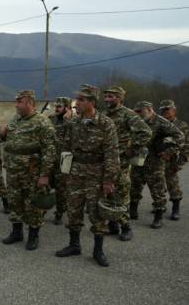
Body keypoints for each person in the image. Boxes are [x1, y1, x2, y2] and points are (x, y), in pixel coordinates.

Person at [55, 85, 119, 267]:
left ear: (92, 102)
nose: (77, 103)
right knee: (73, 209)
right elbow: (66, 147)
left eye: (81, 100)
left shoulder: (105, 123)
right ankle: (74, 245)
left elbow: (112, 153)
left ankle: (98, 250)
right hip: (75, 172)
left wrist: (109, 180)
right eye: (77, 99)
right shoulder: (74, 122)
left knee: (96, 212)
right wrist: (65, 172)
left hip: (96, 173)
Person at [1, 90, 56, 250]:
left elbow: (49, 151)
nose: (16, 105)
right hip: (13, 170)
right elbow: (9, 139)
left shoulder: (42, 122)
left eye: (20, 102)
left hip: (31, 173)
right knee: (14, 202)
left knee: (33, 205)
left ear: (30, 103)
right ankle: (16, 232)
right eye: (16, 101)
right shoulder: (16, 119)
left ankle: (33, 235)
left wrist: (44, 175)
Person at [103, 87, 152, 240]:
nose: (107, 99)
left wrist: (131, 149)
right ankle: (112, 225)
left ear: (119, 98)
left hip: (122, 162)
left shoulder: (128, 114)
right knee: (108, 193)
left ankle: (126, 227)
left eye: (111, 96)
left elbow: (146, 132)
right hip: (106, 161)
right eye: (106, 96)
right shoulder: (104, 114)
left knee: (122, 193)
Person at [130, 101, 184, 228]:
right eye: (136, 111)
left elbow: (180, 136)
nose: (138, 113)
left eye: (140, 111)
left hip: (154, 161)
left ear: (149, 109)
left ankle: (158, 216)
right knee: (134, 186)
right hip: (138, 158)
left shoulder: (160, 122)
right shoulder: (137, 121)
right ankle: (132, 210)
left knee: (157, 189)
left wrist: (169, 152)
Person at [158, 99, 189, 220]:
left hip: (173, 160)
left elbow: (186, 145)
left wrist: (180, 161)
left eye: (167, 109)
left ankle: (176, 208)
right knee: (158, 184)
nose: (164, 111)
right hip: (159, 159)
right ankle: (159, 206)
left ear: (174, 110)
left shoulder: (181, 125)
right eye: (162, 110)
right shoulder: (159, 124)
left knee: (172, 184)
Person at [48, 97, 72, 224]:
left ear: (67, 108)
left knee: (61, 188)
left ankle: (60, 212)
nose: (56, 109)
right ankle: (42, 207)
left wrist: (67, 121)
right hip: (49, 157)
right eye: (55, 106)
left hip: (64, 158)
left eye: (59, 107)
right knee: (45, 184)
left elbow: (73, 136)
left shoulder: (73, 121)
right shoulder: (51, 118)